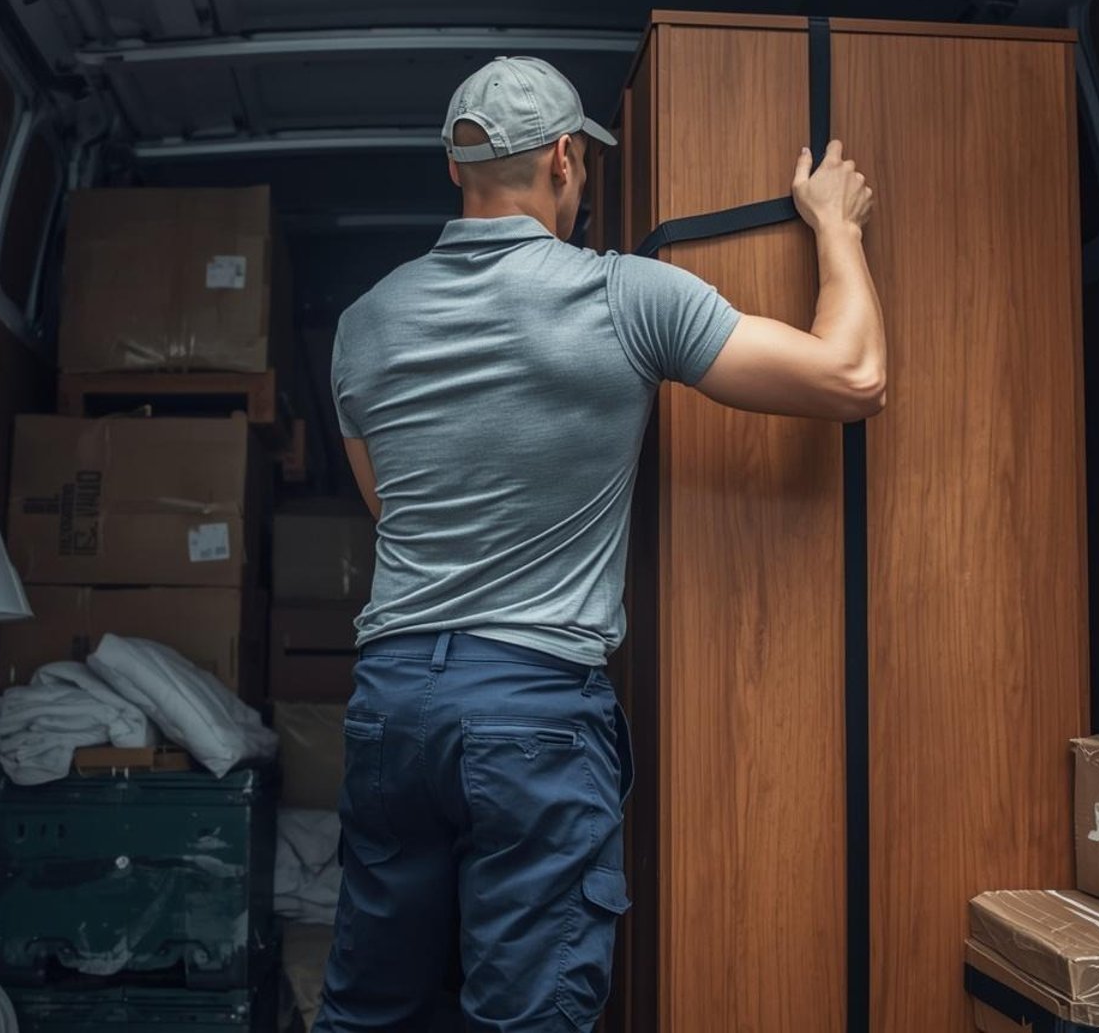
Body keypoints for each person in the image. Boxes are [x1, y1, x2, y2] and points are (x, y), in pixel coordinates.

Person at [318, 55, 885, 1031]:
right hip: (529, 712)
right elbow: (850, 376)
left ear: (457, 170)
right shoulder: (626, 296)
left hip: (393, 703)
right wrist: (834, 224)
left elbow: (393, 509)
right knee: (527, 1011)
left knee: (372, 1006)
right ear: (566, 162)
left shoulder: (362, 326)